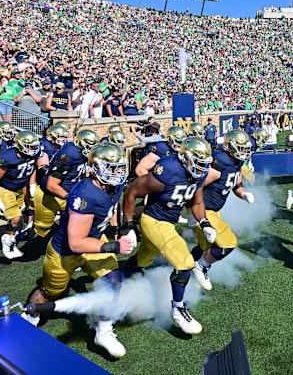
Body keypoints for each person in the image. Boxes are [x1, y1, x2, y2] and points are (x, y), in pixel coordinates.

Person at [21, 143, 134, 357]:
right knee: (49, 294)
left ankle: (103, 331)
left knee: (114, 282)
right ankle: (31, 316)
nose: (117, 173)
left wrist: (119, 228)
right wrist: (114, 246)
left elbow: (113, 205)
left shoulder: (113, 184)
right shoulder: (86, 194)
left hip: (94, 240)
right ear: (96, 168)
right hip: (67, 251)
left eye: (119, 167)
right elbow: (76, 243)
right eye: (111, 168)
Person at [121, 137, 214, 335]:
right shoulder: (168, 169)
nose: (201, 169)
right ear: (185, 158)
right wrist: (128, 226)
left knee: (145, 258)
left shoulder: (196, 174)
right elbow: (131, 192)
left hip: (168, 222)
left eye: (205, 164)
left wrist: (204, 222)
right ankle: (178, 309)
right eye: (199, 163)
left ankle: (126, 270)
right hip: (154, 220)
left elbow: (197, 203)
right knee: (185, 262)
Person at [189, 130, 256, 291]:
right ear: (230, 146)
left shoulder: (236, 162)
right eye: (241, 148)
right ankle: (201, 267)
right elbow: (197, 184)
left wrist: (244, 193)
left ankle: (183, 273)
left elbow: (236, 184)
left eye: (245, 149)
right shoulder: (221, 162)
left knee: (206, 247)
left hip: (212, 211)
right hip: (204, 211)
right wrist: (195, 209)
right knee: (227, 243)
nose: (244, 152)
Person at [32, 130, 99, 240]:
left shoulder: (81, 153)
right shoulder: (69, 154)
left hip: (67, 193)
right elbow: (51, 185)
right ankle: (12, 239)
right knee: (39, 232)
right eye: (88, 146)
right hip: (49, 195)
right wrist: (71, 198)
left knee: (80, 224)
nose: (91, 150)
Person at [0, 131, 44, 259]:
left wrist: (31, 184)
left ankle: (11, 239)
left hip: (20, 188)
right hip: (6, 188)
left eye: (34, 146)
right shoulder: (8, 157)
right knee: (15, 218)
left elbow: (32, 168)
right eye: (29, 146)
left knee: (17, 217)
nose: (32, 150)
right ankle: (7, 241)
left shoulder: (34, 153)